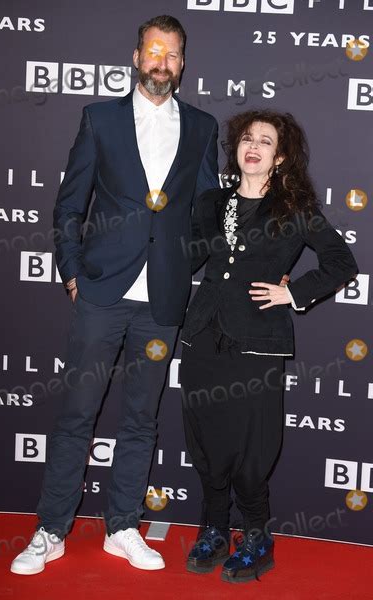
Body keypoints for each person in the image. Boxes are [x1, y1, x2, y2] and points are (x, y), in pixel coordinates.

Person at [11, 15, 219, 575]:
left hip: (162, 303)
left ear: (182, 64)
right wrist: (74, 271)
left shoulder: (202, 126)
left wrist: (182, 261)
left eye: (173, 55)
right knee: (77, 413)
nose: (162, 62)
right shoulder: (99, 119)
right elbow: (69, 204)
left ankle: (122, 525)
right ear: (136, 57)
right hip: (102, 292)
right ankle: (51, 529)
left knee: (141, 420)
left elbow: (207, 209)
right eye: (154, 51)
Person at [179, 110, 358, 584]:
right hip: (202, 339)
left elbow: (343, 262)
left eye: (264, 141)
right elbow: (191, 257)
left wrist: (293, 293)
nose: (252, 146)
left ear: (278, 158)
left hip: (258, 342)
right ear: (236, 150)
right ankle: (214, 529)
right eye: (245, 139)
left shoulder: (293, 208)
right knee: (207, 443)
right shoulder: (209, 202)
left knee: (253, 448)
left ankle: (256, 536)